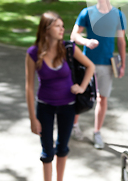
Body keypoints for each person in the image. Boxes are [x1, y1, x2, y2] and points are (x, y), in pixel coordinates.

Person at [26, 11, 95, 181]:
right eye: (57, 26)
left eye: (62, 26)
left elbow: (90, 66)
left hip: (68, 106)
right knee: (47, 151)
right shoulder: (33, 53)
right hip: (45, 106)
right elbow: (28, 87)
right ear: (46, 28)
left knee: (62, 148)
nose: (62, 29)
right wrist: (32, 118)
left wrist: (82, 87)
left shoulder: (68, 48)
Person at [70, 0, 127, 149]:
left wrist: (122, 64)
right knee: (81, 95)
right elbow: (74, 36)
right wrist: (86, 42)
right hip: (87, 64)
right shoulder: (87, 13)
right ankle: (74, 126)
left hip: (107, 65)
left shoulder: (118, 15)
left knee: (103, 98)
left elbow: (121, 41)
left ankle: (97, 132)